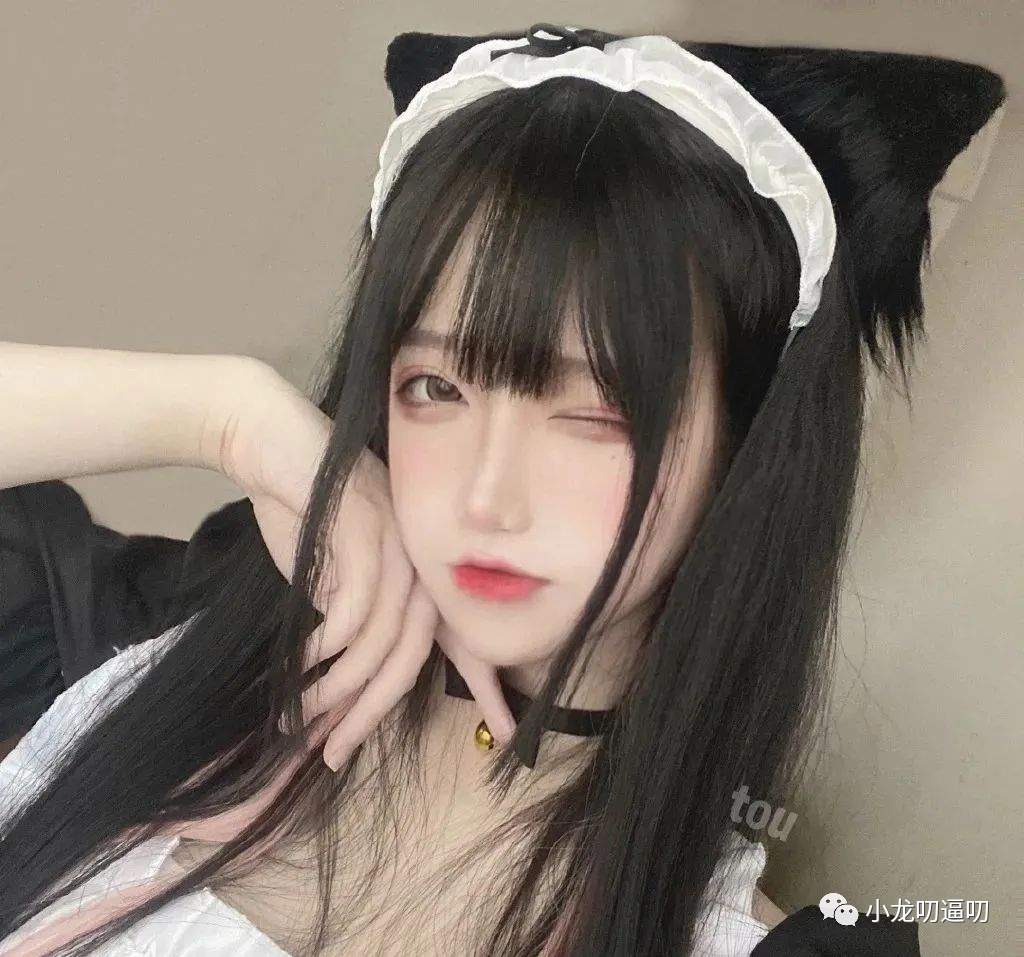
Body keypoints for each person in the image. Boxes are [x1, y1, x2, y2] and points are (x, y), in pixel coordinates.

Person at [0, 22, 1004, 957]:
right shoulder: (172, 684)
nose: (486, 498)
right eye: (435, 388)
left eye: (599, 412)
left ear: (747, 444)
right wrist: (221, 413)